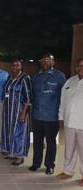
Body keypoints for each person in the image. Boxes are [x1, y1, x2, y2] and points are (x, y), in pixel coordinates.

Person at [29, 53, 66, 175]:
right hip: (37, 116)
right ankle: (36, 163)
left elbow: (64, 98)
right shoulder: (35, 77)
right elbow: (32, 96)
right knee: (37, 142)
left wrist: (62, 116)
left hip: (52, 116)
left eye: (48, 60)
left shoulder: (60, 76)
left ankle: (50, 165)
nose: (45, 62)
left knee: (51, 143)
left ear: (53, 62)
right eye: (43, 60)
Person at [56, 58, 83, 186]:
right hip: (69, 122)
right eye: (79, 65)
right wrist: (61, 117)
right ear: (76, 67)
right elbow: (63, 102)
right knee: (69, 149)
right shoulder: (69, 81)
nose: (81, 67)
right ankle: (68, 171)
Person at [0, 59, 32, 165]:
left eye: (17, 65)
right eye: (13, 65)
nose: (15, 67)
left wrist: (24, 113)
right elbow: (6, 95)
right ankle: (12, 153)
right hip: (9, 111)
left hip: (19, 111)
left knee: (19, 133)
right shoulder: (9, 78)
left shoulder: (25, 78)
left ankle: (20, 156)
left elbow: (29, 98)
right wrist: (4, 109)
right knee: (9, 131)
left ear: (21, 66)